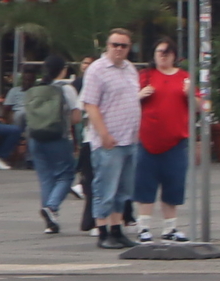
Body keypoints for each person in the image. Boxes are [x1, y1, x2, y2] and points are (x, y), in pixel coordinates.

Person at [79, 27, 141, 249]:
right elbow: (90, 104)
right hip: (108, 141)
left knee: (123, 191)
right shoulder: (97, 70)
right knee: (104, 188)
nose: (119, 49)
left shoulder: (130, 69)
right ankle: (102, 230)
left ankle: (117, 229)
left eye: (123, 46)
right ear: (107, 46)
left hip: (129, 140)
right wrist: (103, 133)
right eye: (115, 45)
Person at [131, 38, 193, 243]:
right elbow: (128, 101)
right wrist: (139, 95)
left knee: (173, 186)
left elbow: (200, 105)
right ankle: (144, 227)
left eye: (167, 52)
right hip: (148, 140)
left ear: (174, 55)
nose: (163, 55)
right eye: (159, 52)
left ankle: (170, 227)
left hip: (176, 142)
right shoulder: (145, 76)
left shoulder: (185, 77)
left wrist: (190, 94)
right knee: (145, 185)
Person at [23, 59, 75, 236]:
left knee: (46, 178)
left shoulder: (36, 88)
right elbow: (75, 117)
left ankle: (50, 223)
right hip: (58, 137)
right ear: (63, 70)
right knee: (66, 175)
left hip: (35, 137)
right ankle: (51, 207)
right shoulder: (66, 89)